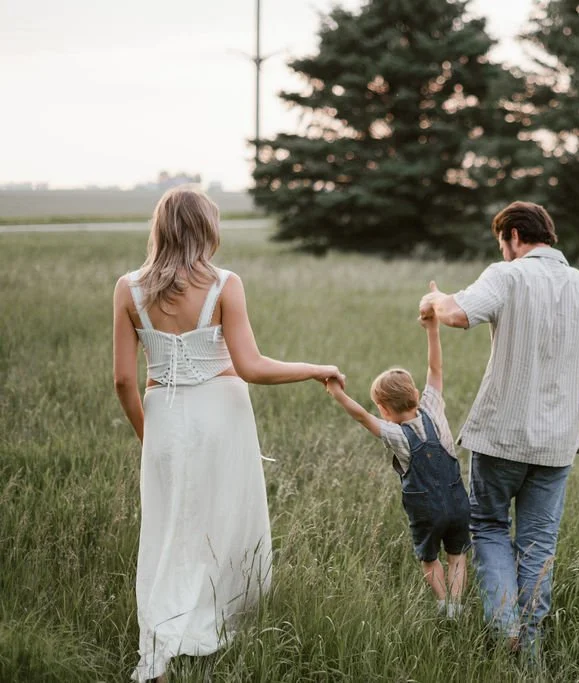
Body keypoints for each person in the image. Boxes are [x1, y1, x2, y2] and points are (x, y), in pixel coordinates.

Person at [112, 186, 344, 682]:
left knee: (169, 529)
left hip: (163, 417)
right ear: (206, 229)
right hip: (223, 417)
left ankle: (162, 643)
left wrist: (148, 436)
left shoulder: (128, 288)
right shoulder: (224, 284)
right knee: (226, 522)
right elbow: (251, 366)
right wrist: (314, 368)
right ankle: (219, 624)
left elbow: (123, 381)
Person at [418, 201, 579, 659]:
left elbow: (457, 314)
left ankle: (505, 624)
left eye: (501, 243)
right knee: (538, 546)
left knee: (488, 526)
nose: (502, 251)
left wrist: (434, 299)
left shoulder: (507, 276)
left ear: (514, 237)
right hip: (557, 446)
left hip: (500, 437)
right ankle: (531, 651)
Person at [325, 305, 471, 617]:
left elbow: (362, 417)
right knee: (457, 556)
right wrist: (432, 329)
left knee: (429, 559)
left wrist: (338, 395)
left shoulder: (396, 435)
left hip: (427, 513)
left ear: (384, 409)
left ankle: (443, 604)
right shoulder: (433, 409)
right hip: (458, 503)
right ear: (415, 393)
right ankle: (457, 607)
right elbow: (435, 369)